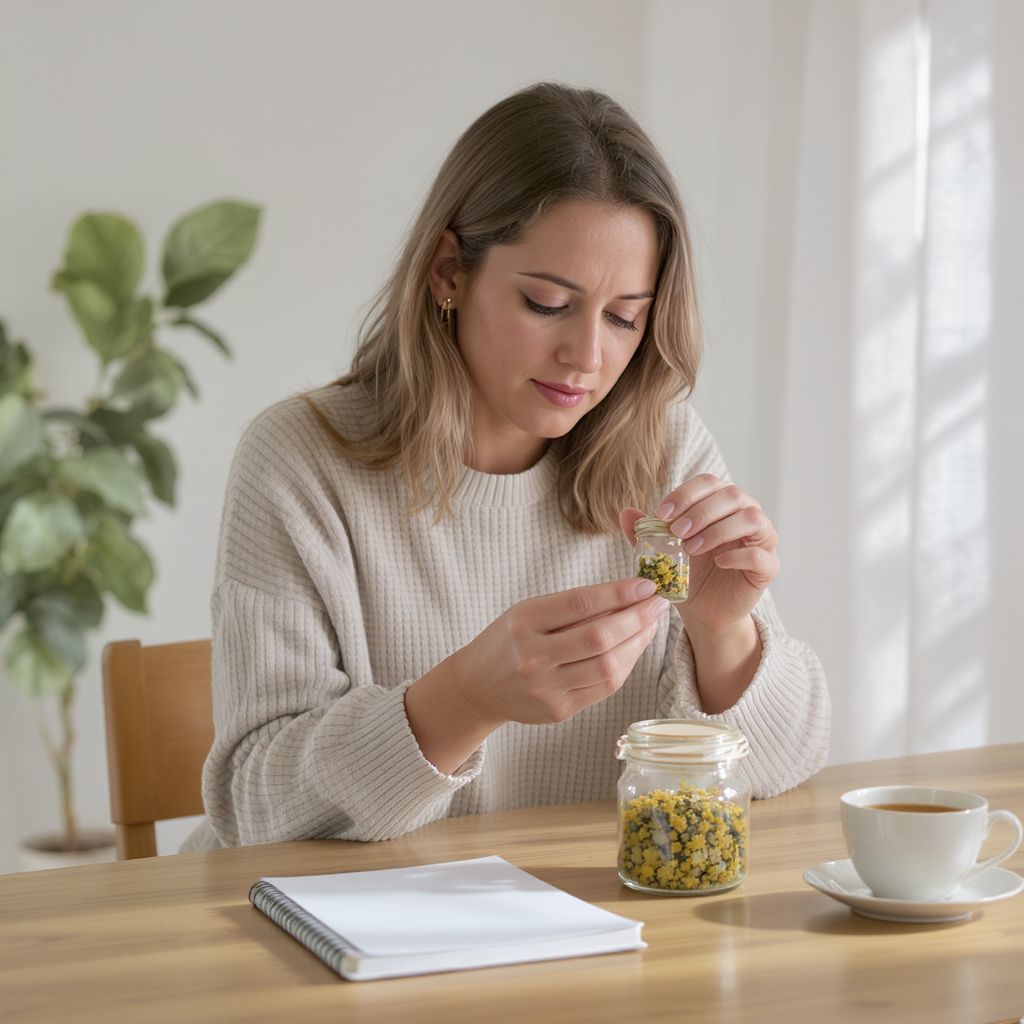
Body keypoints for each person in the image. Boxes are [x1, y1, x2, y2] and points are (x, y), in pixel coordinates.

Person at [183, 82, 829, 853]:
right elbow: (254, 807)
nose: (588, 357)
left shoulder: (662, 448)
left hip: (575, 934)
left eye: (625, 317)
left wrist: (722, 631)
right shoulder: (301, 459)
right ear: (448, 272)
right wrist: (463, 699)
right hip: (345, 939)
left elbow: (786, 762)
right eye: (548, 303)